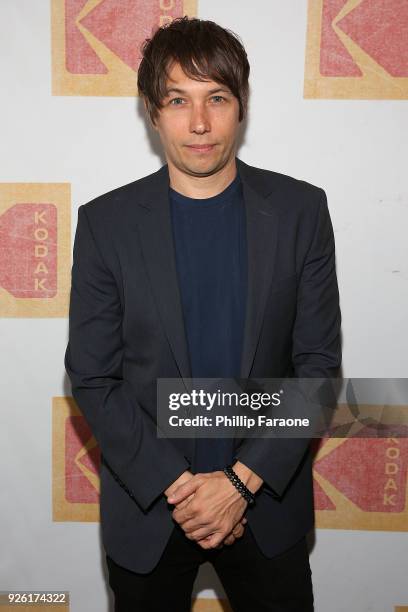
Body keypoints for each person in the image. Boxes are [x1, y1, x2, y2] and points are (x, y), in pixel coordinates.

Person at [64, 16, 342, 612]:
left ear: (240, 105)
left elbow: (317, 368)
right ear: (150, 110)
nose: (198, 123)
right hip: (151, 511)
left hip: (267, 506)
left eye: (216, 98)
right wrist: (180, 486)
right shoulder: (106, 224)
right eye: (177, 100)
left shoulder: (301, 212)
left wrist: (240, 483)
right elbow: (92, 376)